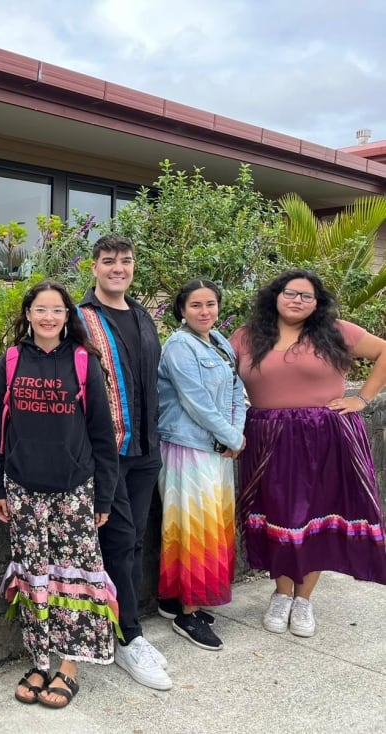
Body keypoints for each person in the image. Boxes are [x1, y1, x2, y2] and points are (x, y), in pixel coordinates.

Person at [0, 280, 120, 709]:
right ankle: (41, 661)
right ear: (28, 314)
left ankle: (70, 665)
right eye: (40, 309)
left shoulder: (83, 363)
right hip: (23, 490)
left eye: (57, 310)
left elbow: (102, 435)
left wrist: (104, 498)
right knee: (35, 576)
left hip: (74, 491)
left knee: (75, 577)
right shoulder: (9, 362)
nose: (48, 317)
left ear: (67, 316)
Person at [230, 269, 386, 638]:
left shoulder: (336, 331)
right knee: (278, 516)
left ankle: (303, 599)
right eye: (290, 292)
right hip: (268, 439)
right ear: (275, 295)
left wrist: (361, 398)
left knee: (316, 515)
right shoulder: (246, 337)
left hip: (326, 436)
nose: (297, 300)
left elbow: (384, 351)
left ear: (318, 303)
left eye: (306, 295)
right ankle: (282, 593)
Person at [78, 234, 172, 691]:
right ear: (93, 266)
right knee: (117, 543)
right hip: (109, 454)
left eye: (126, 261)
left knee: (134, 541)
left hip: (146, 451)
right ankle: (126, 636)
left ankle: (125, 629)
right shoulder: (81, 319)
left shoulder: (141, 315)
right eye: (109, 261)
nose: (119, 268)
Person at [156, 279, 246, 651]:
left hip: (219, 449)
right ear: (182, 310)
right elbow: (195, 402)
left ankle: (178, 596)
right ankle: (187, 613)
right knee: (193, 528)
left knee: (212, 524)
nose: (205, 311)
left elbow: (238, 390)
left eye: (211, 304)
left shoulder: (220, 343)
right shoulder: (179, 346)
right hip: (187, 449)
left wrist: (235, 434)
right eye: (196, 305)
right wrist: (232, 436)